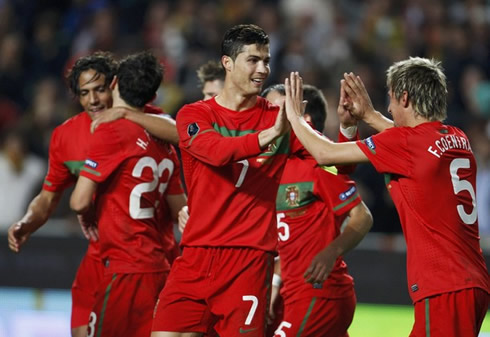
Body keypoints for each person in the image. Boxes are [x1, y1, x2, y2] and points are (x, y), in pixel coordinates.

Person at [284, 58, 490, 337]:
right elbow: (410, 139)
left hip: (444, 285)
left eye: (391, 99)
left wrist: (294, 116)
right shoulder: (457, 138)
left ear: (405, 98)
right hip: (471, 280)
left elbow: (325, 154)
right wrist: (368, 115)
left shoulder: (405, 145)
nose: (390, 108)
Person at [7, 52, 178, 337]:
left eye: (99, 89)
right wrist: (27, 222)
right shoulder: (66, 136)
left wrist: (125, 113)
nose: (94, 100)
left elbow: (181, 132)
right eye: (85, 93)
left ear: (114, 85)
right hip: (101, 259)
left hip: (143, 257)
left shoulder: (143, 118)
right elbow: (48, 196)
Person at [151, 24, 301, 337]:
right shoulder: (194, 115)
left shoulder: (281, 118)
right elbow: (216, 152)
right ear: (227, 63)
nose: (263, 69)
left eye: (266, 60)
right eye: (253, 60)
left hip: (247, 260)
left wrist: (352, 127)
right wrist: (270, 134)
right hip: (195, 255)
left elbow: (327, 157)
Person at [70, 51, 187, 337]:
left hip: (125, 269)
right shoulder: (163, 140)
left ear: (114, 83)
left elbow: (79, 200)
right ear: (153, 93)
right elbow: (180, 208)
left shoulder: (111, 131)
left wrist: (88, 212)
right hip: (160, 268)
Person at [263, 84, 372, 337]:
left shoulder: (316, 165)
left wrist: (331, 251)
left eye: (275, 110)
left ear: (302, 118)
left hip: (320, 293)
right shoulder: (275, 165)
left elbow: (362, 216)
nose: (266, 118)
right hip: (297, 294)